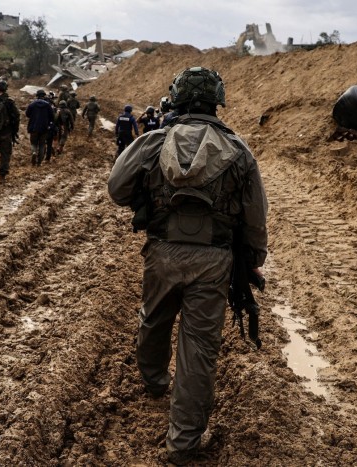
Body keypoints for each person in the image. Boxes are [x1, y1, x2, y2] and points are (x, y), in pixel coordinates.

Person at [107, 66, 268, 465]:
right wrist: (253, 260)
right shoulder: (238, 148)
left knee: (154, 318)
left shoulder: (154, 141)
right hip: (214, 259)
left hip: (162, 250)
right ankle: (183, 443)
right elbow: (255, 215)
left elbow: (117, 188)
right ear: (217, 99)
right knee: (198, 348)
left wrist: (146, 200)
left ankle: (155, 380)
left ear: (176, 98)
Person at [25, 89, 54, 166]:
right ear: (44, 96)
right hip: (44, 128)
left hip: (33, 127)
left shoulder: (32, 104)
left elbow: (27, 114)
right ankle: (39, 162)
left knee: (33, 143)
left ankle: (34, 152)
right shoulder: (48, 105)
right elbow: (52, 116)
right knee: (42, 145)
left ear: (37, 96)